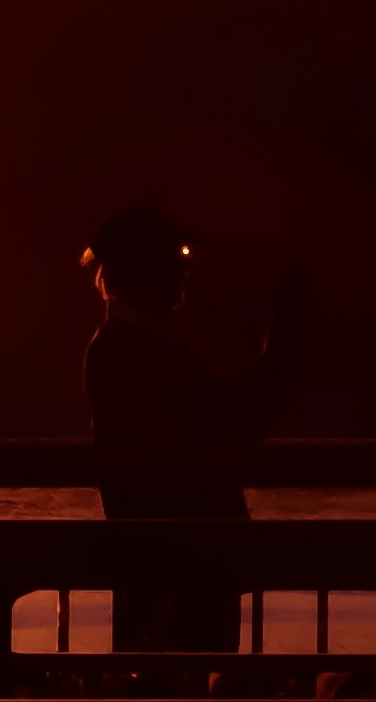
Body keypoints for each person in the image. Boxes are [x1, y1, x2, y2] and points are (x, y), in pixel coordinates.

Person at [82, 206, 303, 653]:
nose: (184, 272)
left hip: (169, 561)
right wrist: (284, 345)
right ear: (144, 267)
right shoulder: (134, 351)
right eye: (175, 260)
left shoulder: (131, 346)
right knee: (184, 675)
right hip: (179, 562)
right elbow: (234, 424)